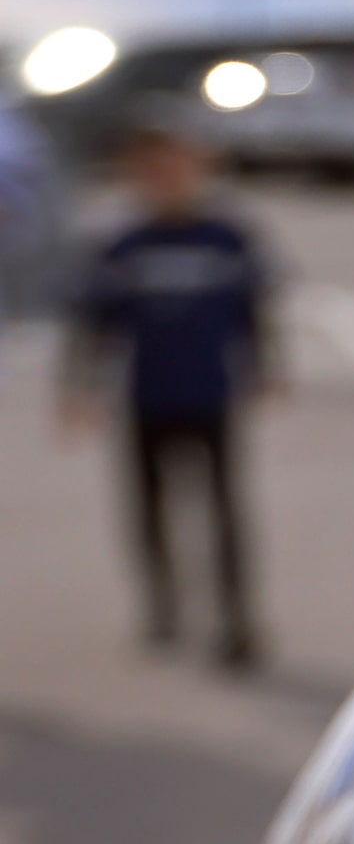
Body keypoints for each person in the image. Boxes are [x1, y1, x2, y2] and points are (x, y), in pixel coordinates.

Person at [61, 123, 277, 669]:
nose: (166, 181)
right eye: (151, 171)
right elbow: (92, 321)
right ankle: (163, 604)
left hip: (209, 395)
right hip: (148, 398)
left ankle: (236, 618)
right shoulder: (123, 246)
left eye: (176, 168)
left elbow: (253, 309)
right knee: (150, 510)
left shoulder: (227, 238)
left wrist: (264, 366)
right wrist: (79, 388)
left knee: (224, 511)